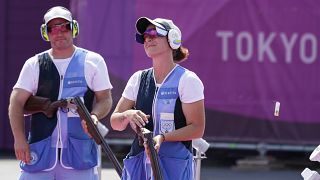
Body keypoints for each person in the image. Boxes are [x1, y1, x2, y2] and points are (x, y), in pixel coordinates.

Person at [8, 6, 113, 180]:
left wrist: (94, 116)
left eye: (65, 26)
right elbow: (16, 102)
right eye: (53, 28)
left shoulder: (93, 61)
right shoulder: (34, 64)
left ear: (74, 28)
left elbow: (105, 99)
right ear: (45, 33)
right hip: (39, 154)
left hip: (79, 155)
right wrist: (19, 139)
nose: (59, 32)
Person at [110, 17, 205, 180]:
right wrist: (127, 115)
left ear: (172, 38)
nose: (148, 39)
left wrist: (163, 137)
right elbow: (115, 122)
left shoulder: (188, 80)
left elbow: (197, 128)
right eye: (145, 36)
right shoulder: (138, 78)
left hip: (173, 166)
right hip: (139, 166)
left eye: (153, 33)